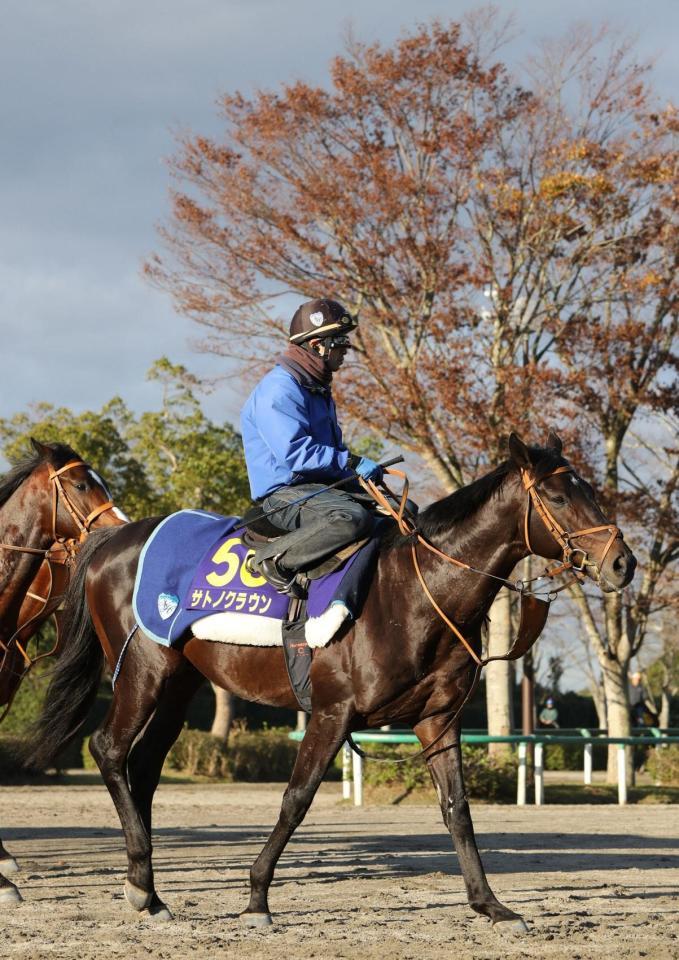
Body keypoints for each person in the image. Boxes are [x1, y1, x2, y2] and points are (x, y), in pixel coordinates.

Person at [240, 298, 381, 594]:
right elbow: (297, 455)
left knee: (402, 511)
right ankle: (275, 560)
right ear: (317, 345)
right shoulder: (279, 390)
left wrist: (356, 475)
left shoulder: (316, 388)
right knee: (351, 519)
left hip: (320, 489)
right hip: (284, 496)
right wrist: (352, 463)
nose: (346, 350)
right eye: (339, 342)